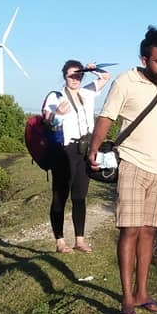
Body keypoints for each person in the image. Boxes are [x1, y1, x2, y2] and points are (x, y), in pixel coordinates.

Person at [87, 26, 157, 314]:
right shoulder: (125, 81)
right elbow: (106, 117)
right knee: (130, 230)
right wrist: (93, 150)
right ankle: (126, 299)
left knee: (149, 231)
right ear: (145, 59)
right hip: (132, 165)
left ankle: (142, 293)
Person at [43, 60, 110, 253]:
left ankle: (80, 240)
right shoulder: (56, 96)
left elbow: (106, 77)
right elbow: (48, 122)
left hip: (85, 149)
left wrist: (93, 69)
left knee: (80, 196)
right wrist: (56, 114)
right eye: (72, 75)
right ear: (64, 75)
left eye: (79, 74)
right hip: (65, 151)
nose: (76, 78)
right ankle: (60, 242)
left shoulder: (87, 92)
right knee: (60, 196)